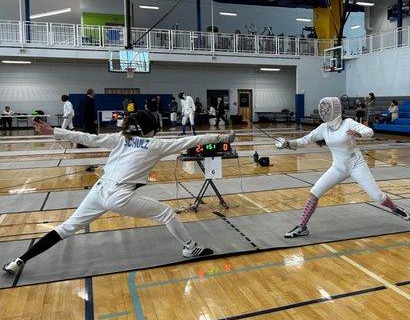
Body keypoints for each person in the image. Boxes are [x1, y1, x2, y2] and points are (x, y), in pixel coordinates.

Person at [2, 111, 236, 276]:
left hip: (99, 190)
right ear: (151, 128)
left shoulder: (121, 139)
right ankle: (189, 247)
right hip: (119, 196)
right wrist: (223, 137)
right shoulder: (156, 145)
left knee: (66, 228)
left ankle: (19, 260)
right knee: (166, 213)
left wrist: (53, 130)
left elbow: (87, 138)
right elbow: (192, 140)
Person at [275, 97, 410, 238]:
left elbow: (370, 131)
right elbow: (305, 140)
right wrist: (288, 144)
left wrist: (359, 134)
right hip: (338, 167)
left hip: (357, 165)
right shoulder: (324, 128)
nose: (323, 111)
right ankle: (302, 227)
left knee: (378, 197)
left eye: (326, 108)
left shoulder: (348, 123)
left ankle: (394, 208)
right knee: (314, 193)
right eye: (322, 109)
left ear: (335, 109)